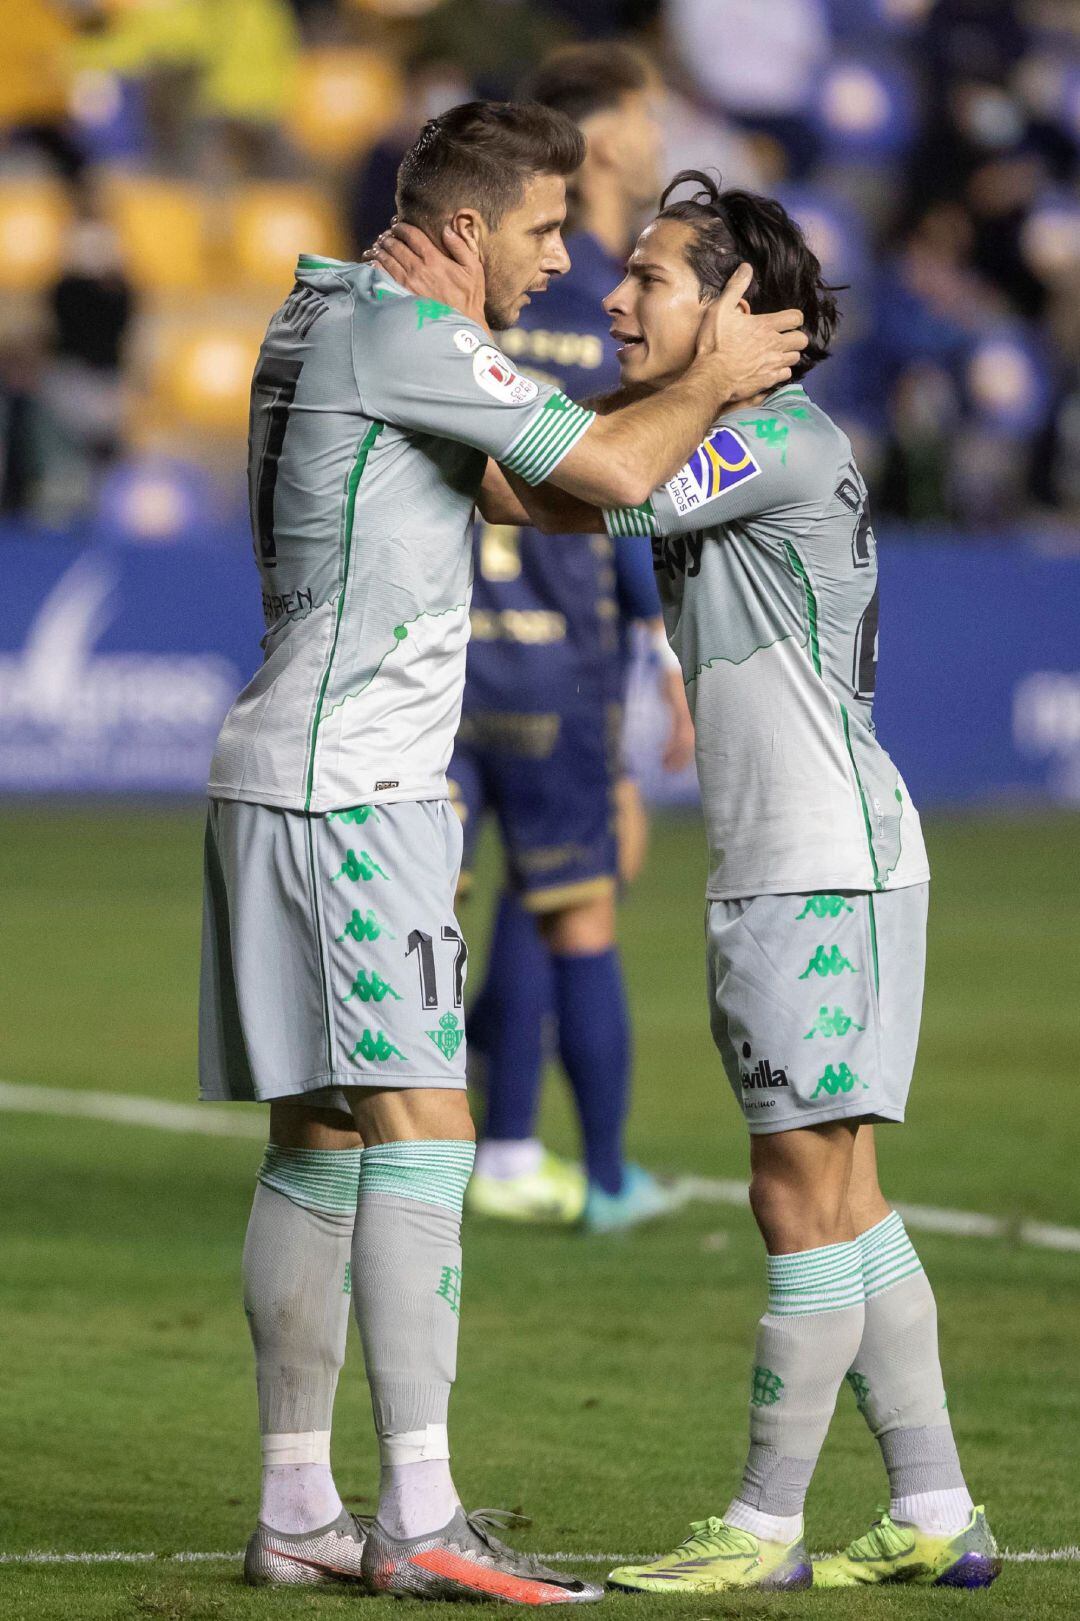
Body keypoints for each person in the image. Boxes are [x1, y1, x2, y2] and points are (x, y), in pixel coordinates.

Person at [199, 99, 807, 1598]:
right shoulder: (409, 329)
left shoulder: (332, 317)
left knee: (324, 1139)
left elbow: (528, 490)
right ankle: (419, 1514)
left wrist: (656, 450)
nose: (559, 262)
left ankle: (295, 1509)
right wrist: (721, 376)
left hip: (289, 770)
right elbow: (595, 471)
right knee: (426, 1131)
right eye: (545, 228)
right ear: (467, 227)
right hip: (356, 791)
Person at [383, 168, 999, 1592]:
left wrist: (423, 377)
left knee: (795, 1193)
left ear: (735, 309)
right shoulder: (734, 433)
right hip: (823, 853)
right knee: (846, 1194)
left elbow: (550, 489)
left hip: (813, 864)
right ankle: (938, 1503)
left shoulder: (766, 438)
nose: (613, 293)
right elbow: (581, 454)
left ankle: (765, 1525)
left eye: (651, 277)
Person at [452, 44, 693, 1233]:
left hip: (442, 653)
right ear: (603, 140)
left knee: (423, 919)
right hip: (561, 655)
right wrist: (666, 650)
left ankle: (455, 1151)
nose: (659, 138)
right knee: (577, 902)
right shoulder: (617, 303)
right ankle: (597, 1175)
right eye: (646, 119)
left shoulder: (472, 310)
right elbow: (635, 494)